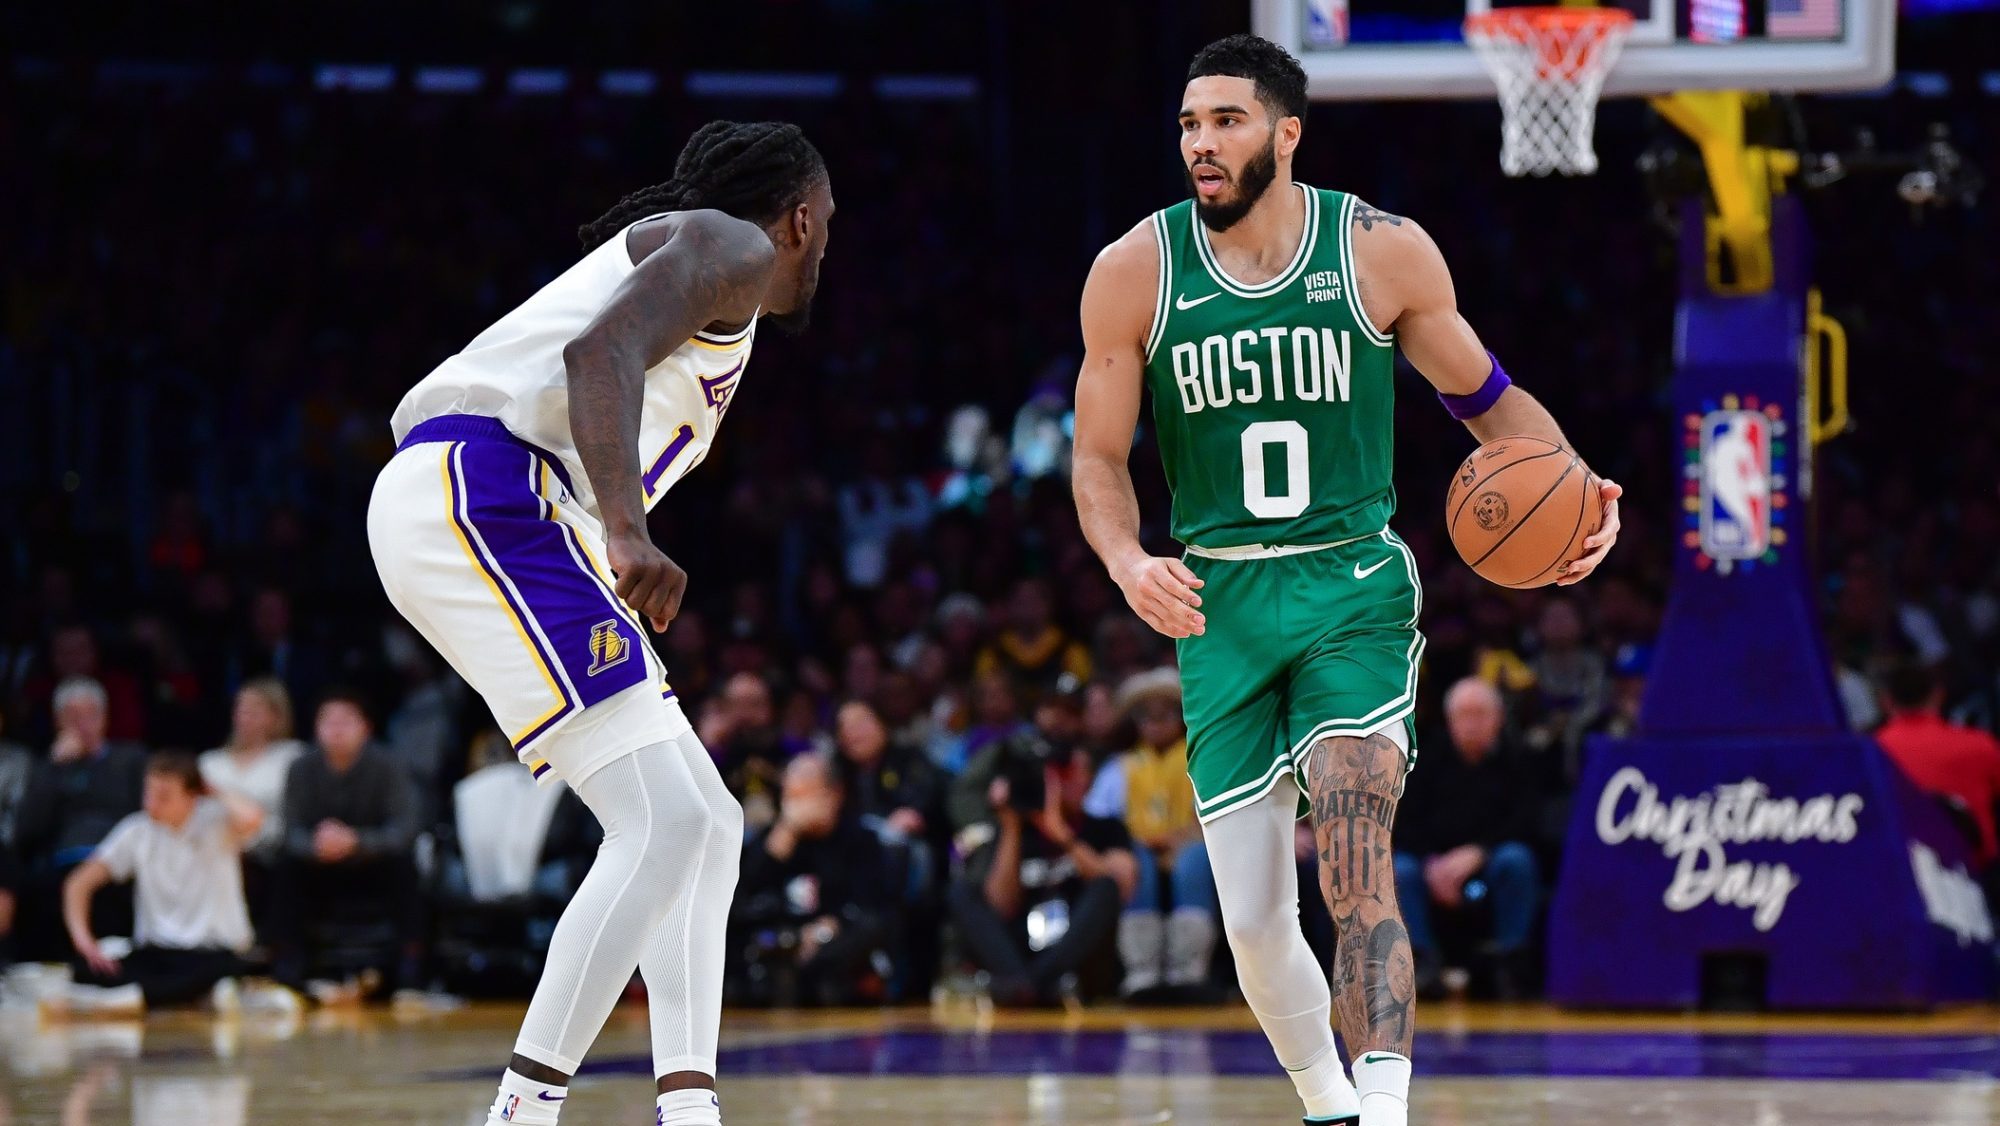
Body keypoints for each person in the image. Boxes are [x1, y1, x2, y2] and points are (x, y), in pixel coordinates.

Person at [1069, 35, 1621, 1126]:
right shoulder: (1132, 271)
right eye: (1188, 124)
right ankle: (1327, 1103)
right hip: (1217, 603)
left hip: (1350, 587)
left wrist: (1575, 481)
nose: (1200, 143)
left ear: (1286, 132)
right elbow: (1096, 458)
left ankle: (1384, 1107)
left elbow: (1487, 399)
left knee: (1355, 846)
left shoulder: (1379, 251)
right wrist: (1127, 559)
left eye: (1225, 120)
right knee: (1253, 924)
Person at [365, 120, 832, 1126]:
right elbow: (600, 350)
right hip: (490, 486)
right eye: (827, 224)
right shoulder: (730, 243)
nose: (823, 246)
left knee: (707, 822)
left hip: (500, 502)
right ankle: (522, 1111)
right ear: (800, 218)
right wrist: (626, 530)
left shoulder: (715, 276)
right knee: (661, 821)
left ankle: (689, 1108)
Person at [59, 753, 289, 1013]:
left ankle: (149, 995)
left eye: (164, 796)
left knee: (215, 969)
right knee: (85, 969)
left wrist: (214, 790)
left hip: (211, 951)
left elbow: (252, 818)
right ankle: (174, 995)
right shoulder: (137, 830)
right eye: (148, 793)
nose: (151, 804)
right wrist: (85, 942)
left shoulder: (216, 823)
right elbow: (78, 883)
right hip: (157, 952)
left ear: (192, 797)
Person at [949, 732, 1138, 1007]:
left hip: (1081, 966)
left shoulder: (1106, 829)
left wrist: (1062, 835)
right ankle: (1026, 983)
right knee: (962, 891)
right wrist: (1011, 826)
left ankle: (1030, 984)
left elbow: (1122, 888)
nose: (1072, 782)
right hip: (1022, 952)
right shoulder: (1012, 831)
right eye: (1060, 776)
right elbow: (1002, 905)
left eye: (1077, 773)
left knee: (1105, 886)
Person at [1393, 679, 1544, 1001]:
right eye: (1464, 715)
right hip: (1432, 865)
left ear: (1498, 718)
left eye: (1480, 714)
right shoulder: (1422, 759)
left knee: (1517, 859)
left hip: (1489, 863)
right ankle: (1420, 962)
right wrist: (1433, 863)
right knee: (1400, 869)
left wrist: (1480, 852)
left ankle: (1510, 962)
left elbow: (1527, 822)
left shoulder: (1519, 758)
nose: (1472, 724)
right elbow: (1403, 822)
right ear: (1449, 720)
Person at [269, 691, 424, 994]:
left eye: (345, 722)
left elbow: (405, 830)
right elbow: (289, 831)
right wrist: (316, 845)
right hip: (319, 865)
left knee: (405, 866)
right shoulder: (300, 767)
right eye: (328, 722)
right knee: (285, 867)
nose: (336, 730)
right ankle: (287, 964)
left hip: (373, 865)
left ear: (366, 727)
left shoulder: (390, 765)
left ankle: (411, 965)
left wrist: (356, 841)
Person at [1085, 669, 1220, 1001]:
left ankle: (1188, 969)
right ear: (1137, 722)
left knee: (1193, 860)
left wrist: (1181, 840)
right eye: (1148, 717)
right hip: (1139, 847)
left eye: (1165, 715)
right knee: (1135, 862)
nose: (1157, 724)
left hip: (1193, 844)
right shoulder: (1120, 767)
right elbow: (1099, 820)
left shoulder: (1200, 759)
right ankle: (1142, 970)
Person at [729, 755, 894, 1006]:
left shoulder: (860, 840)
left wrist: (821, 932)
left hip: (832, 940)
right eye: (790, 797)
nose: (795, 808)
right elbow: (743, 899)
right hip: (780, 939)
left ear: (833, 795)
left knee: (870, 928)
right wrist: (782, 839)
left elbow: (869, 906)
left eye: (805, 796)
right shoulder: (773, 839)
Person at [13, 678, 148, 961]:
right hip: (61, 864)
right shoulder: (47, 767)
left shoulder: (130, 759)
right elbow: (27, 828)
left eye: (90, 715)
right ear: (57, 722)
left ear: (105, 717)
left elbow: (145, 813)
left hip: (119, 860)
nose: (83, 725)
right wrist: (53, 768)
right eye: (73, 717)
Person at [1874, 661, 2000, 870]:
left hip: (1907, 874)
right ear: (1938, 695)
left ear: (1886, 701)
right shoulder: (1979, 745)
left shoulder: (1872, 756)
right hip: (1982, 871)